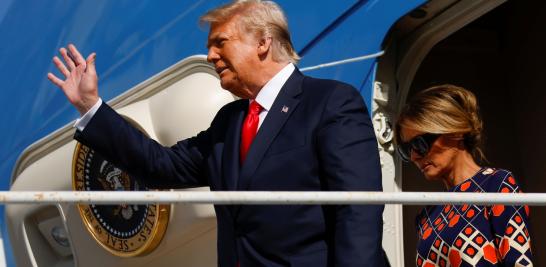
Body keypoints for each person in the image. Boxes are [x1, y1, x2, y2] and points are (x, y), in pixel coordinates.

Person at [47, 1, 385, 266]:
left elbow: (358, 210)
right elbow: (159, 165)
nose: (210, 56)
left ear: (263, 43)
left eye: (220, 42)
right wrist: (91, 106)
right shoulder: (229, 122)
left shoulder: (330, 102)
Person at [395, 84, 533, 266]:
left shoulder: (496, 185)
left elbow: (519, 262)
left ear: (456, 131)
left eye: (420, 144)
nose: (414, 156)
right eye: (406, 150)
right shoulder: (426, 216)